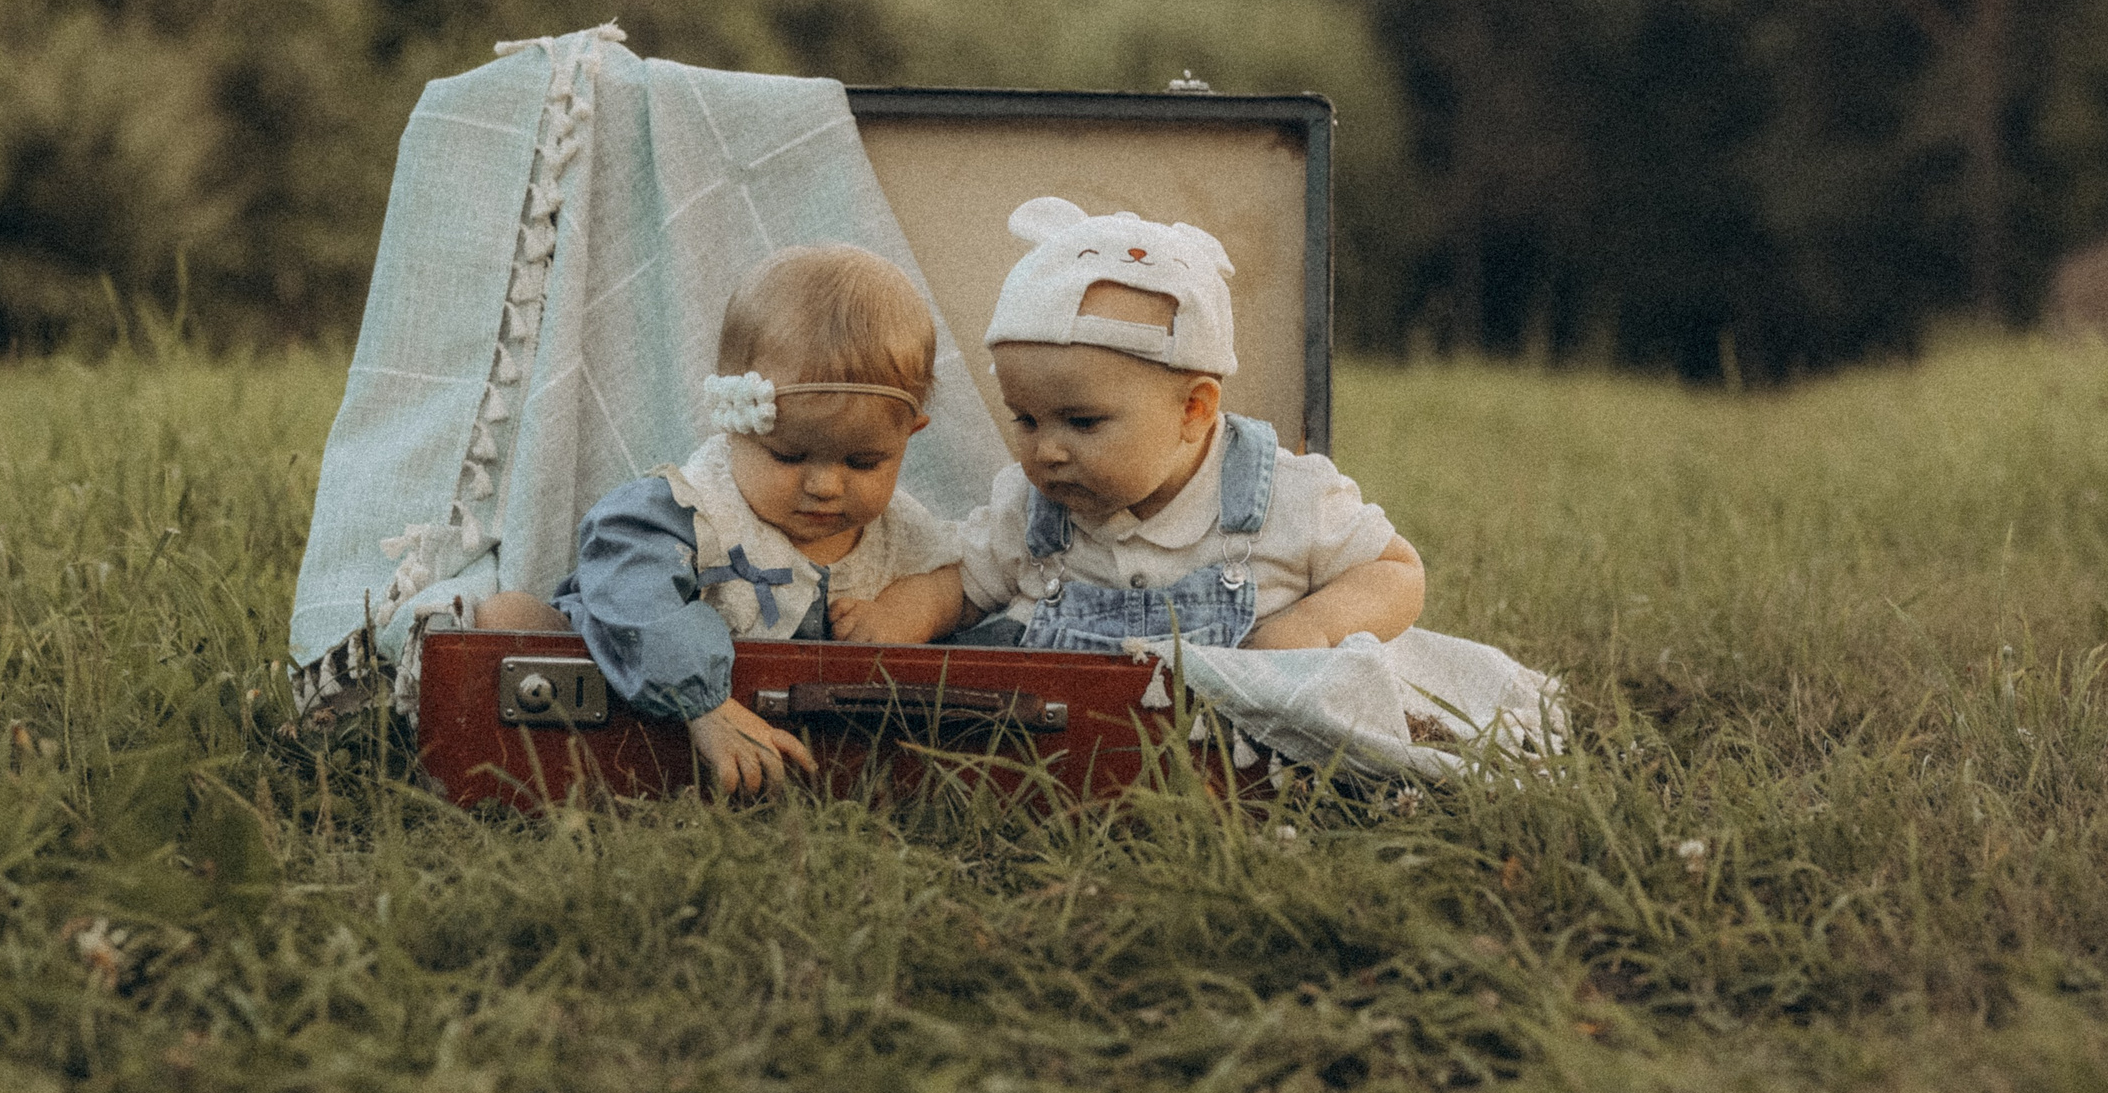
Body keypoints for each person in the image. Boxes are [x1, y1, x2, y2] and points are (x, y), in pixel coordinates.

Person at [472, 245, 962, 793]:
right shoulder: (692, 507)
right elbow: (631, 584)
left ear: (908, 436)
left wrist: (911, 610)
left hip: (814, 737)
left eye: (864, 462)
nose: (824, 485)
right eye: (789, 456)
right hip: (654, 690)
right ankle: (548, 665)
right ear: (735, 426)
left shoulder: (901, 529)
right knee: (533, 626)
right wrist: (703, 707)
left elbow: (960, 580)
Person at [952, 197, 1424, 653]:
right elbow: (960, 584)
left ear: (1192, 411)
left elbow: (1395, 570)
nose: (1047, 451)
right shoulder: (1025, 508)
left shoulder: (1288, 498)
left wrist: (1313, 626)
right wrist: (889, 622)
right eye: (1026, 419)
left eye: (1082, 421)